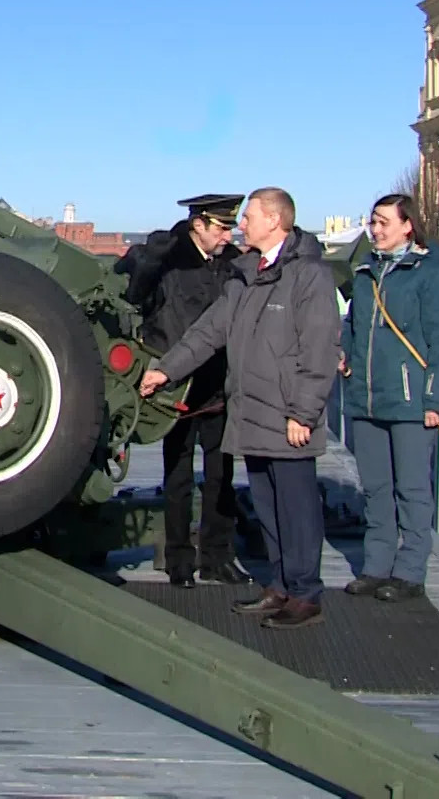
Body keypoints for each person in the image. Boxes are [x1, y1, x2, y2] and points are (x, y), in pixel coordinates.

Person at [139, 187, 342, 630]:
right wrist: (165, 371)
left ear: (274, 221)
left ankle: (305, 594)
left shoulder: (309, 276)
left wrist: (303, 415)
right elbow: (208, 331)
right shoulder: (245, 275)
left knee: (297, 509)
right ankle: (282, 587)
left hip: (288, 416)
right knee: (269, 508)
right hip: (252, 413)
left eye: (249, 217)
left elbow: (320, 350)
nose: (241, 225)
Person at [114, 193, 251, 588]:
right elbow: (132, 298)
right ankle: (178, 559)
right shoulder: (167, 259)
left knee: (220, 475)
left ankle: (217, 556)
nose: (228, 235)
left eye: (231, 227)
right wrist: (145, 265)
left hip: (219, 385)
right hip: (174, 386)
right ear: (199, 225)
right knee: (177, 477)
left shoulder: (230, 264)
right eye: (222, 228)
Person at [337, 193, 439, 603]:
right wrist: (345, 355)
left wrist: (431, 400)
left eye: (384, 222)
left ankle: (410, 571)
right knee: (376, 487)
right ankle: (376, 566)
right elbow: (352, 325)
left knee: (411, 488)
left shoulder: (426, 273)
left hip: (409, 401)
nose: (376, 229)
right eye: (373, 222)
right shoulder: (367, 271)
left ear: (407, 226)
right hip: (367, 398)